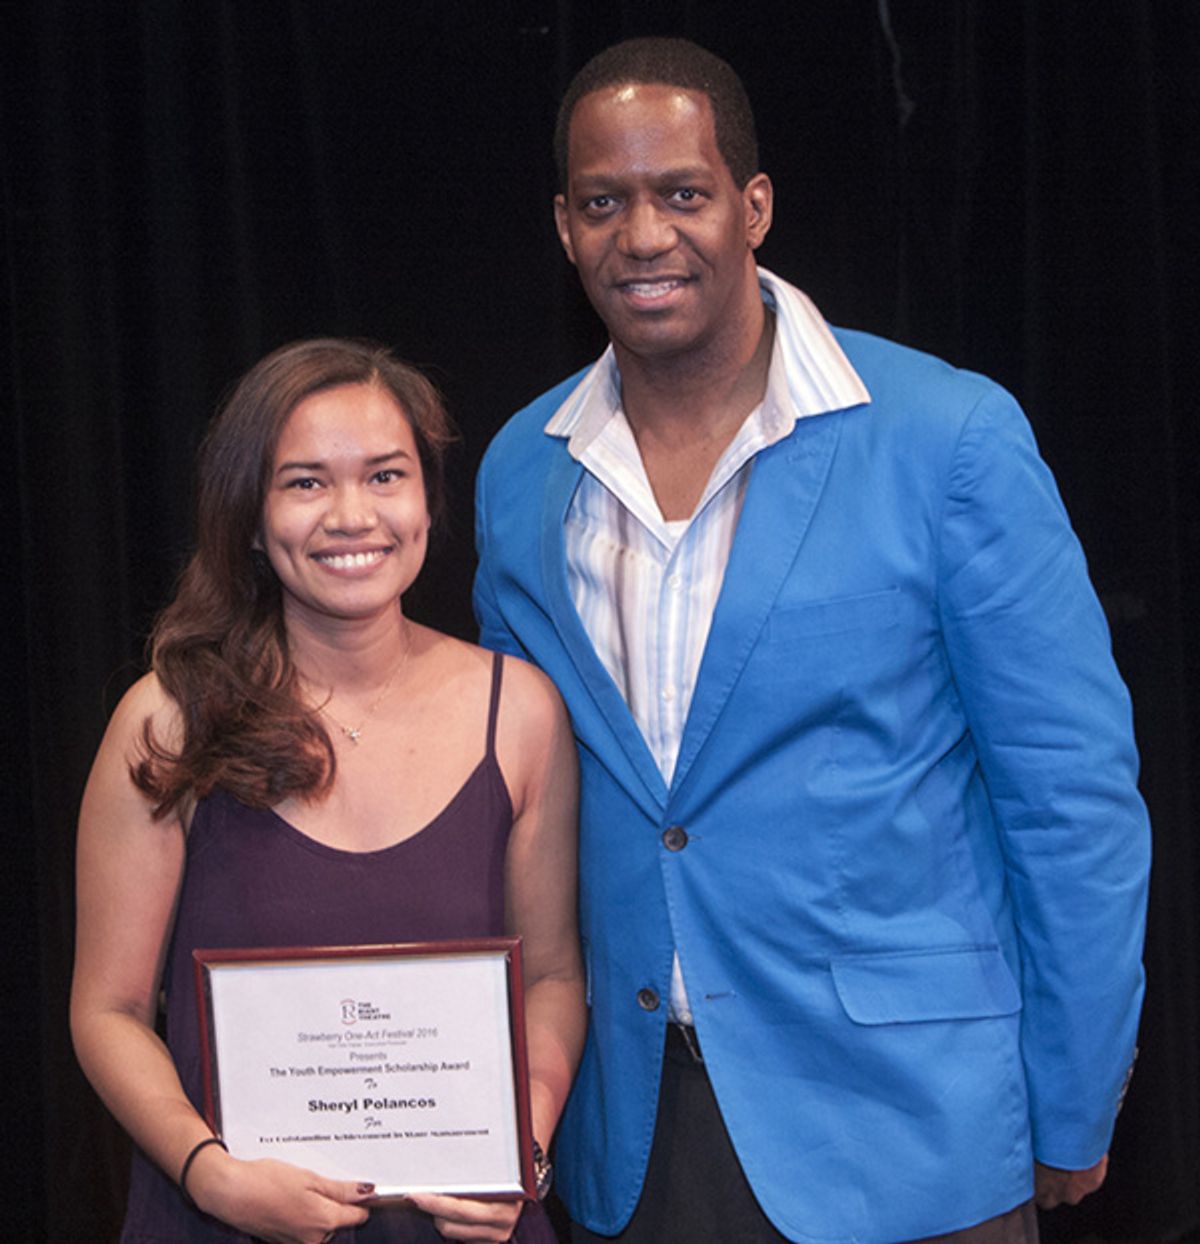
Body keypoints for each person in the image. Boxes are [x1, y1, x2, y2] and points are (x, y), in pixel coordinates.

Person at [472, 36, 1150, 1244]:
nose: (643, 235)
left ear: (754, 207)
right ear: (564, 227)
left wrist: (1073, 1093)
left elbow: (1072, 801)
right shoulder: (523, 471)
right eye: (604, 202)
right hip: (633, 1139)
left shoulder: (948, 436)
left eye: (683, 193)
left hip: (912, 1128)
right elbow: (511, 798)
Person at [72, 339, 585, 1244]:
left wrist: (521, 1147)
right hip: (222, 1220)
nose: (354, 516)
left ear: (426, 499)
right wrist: (210, 1175)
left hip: (464, 1226)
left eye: (386, 476)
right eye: (306, 483)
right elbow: (107, 1012)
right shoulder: (169, 720)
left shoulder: (520, 713)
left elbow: (552, 978)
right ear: (251, 514)